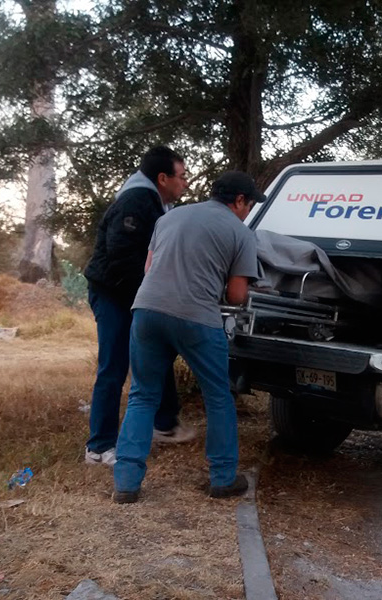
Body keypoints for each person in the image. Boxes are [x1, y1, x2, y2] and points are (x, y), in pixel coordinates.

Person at [112, 171, 265, 503]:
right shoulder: (241, 233)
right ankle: (223, 479)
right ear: (239, 201)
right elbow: (237, 295)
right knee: (218, 398)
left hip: (147, 310)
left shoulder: (172, 216)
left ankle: (125, 484)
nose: (248, 211)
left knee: (142, 396)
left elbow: (149, 269)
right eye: (249, 204)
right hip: (197, 317)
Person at [83, 146, 195, 466]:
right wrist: (150, 296)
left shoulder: (158, 203)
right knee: (114, 366)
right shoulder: (135, 202)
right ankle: (99, 446)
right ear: (163, 178)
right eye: (182, 176)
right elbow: (121, 257)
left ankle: (164, 423)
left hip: (135, 295)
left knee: (157, 351)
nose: (185, 183)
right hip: (113, 294)